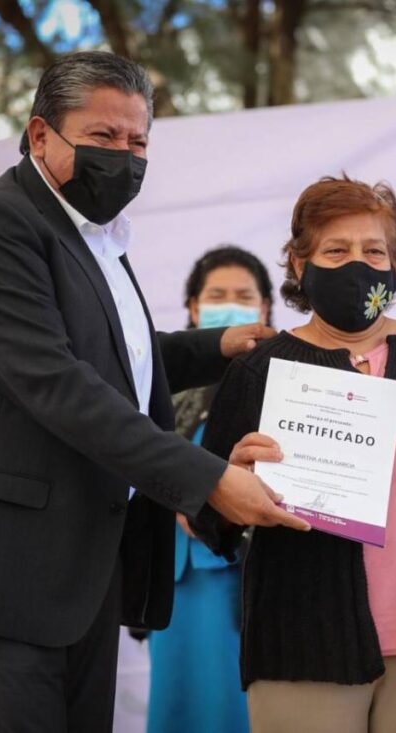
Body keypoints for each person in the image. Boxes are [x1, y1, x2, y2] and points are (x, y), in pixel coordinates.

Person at [0, 51, 308, 733]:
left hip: (76, 572)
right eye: (104, 137)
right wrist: (208, 479)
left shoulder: (96, 238)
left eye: (138, 141)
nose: (126, 156)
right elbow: (57, 382)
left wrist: (217, 345)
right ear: (41, 134)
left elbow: (120, 363)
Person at [193, 175, 396, 733]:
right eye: (335, 251)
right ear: (299, 265)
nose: (358, 266)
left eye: (375, 251)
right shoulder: (258, 370)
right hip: (303, 647)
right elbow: (210, 518)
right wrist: (231, 482)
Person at [146, 245, 275, 733]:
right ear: (194, 306)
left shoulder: (279, 380)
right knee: (176, 709)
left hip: (245, 575)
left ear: (264, 309)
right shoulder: (161, 382)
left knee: (238, 711)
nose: (230, 304)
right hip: (176, 577)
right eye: (217, 294)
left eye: (244, 296)